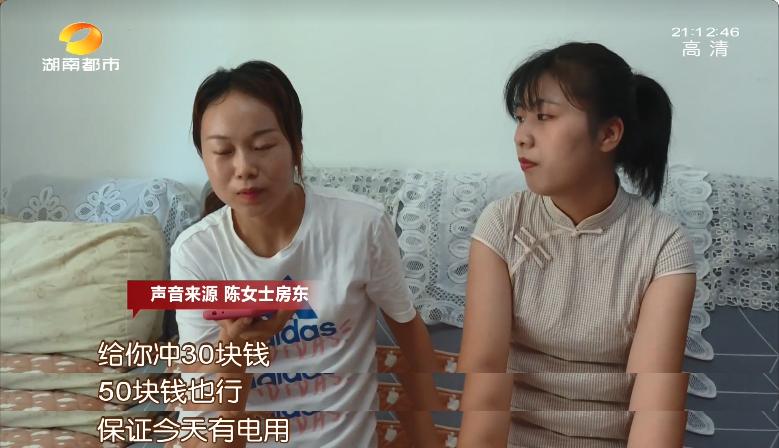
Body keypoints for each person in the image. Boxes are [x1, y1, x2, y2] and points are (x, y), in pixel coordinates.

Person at [170, 60, 441, 448]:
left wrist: (426, 431)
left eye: (263, 146)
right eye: (223, 151)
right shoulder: (196, 255)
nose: (244, 168)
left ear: (296, 146)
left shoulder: (360, 226)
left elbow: (408, 329)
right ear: (204, 159)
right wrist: (235, 359)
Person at [457, 42, 697, 448]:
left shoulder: (663, 247)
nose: (521, 137)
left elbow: (654, 409)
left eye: (544, 116)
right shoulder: (502, 224)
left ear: (607, 134)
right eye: (520, 118)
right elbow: (485, 383)